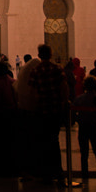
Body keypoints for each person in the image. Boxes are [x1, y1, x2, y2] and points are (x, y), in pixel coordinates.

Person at [28, 43, 69, 184]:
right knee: (54, 140)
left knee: (43, 141)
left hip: (42, 111)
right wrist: (64, 103)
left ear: (39, 55)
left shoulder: (36, 70)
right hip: (55, 110)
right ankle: (58, 171)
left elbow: (33, 92)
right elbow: (64, 87)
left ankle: (45, 173)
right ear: (51, 54)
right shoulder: (57, 69)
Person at [73, 73, 96, 185]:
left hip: (83, 126)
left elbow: (73, 112)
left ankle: (84, 170)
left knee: (84, 150)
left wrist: (78, 119)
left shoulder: (79, 99)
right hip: (93, 125)